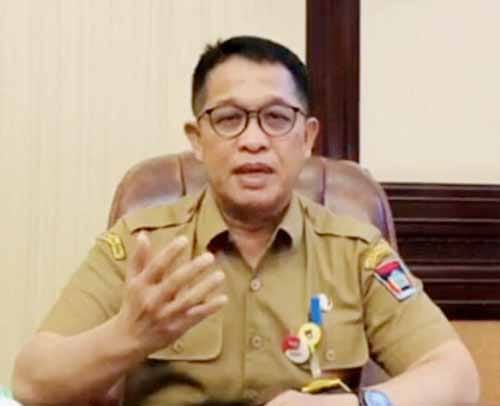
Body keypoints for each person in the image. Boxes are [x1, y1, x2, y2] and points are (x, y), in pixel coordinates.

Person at [13, 36, 479, 406]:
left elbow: (456, 376)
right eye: (229, 118)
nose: (253, 140)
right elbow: (32, 382)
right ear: (197, 138)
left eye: (276, 118)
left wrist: (358, 404)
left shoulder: (355, 251)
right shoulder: (142, 244)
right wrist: (129, 335)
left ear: (307, 137)